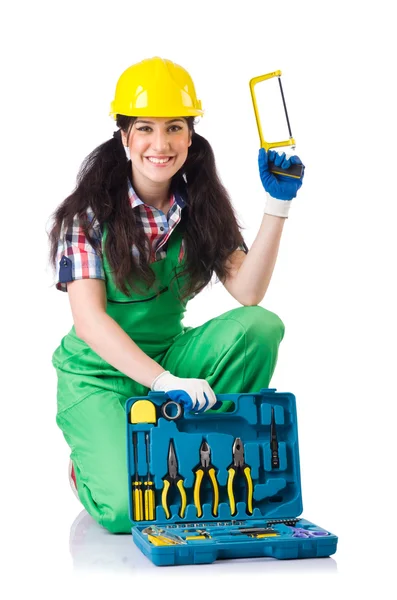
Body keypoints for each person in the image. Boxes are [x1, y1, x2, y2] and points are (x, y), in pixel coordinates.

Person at [48, 56, 304, 534]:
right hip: (98, 375)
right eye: (145, 128)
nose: (160, 144)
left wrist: (279, 203)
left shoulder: (200, 207)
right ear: (124, 137)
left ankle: (192, 448)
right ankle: (88, 471)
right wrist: (165, 383)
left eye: (174, 128)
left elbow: (248, 293)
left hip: (170, 354)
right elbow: (89, 321)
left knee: (260, 328)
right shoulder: (86, 216)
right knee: (130, 512)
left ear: (191, 136)